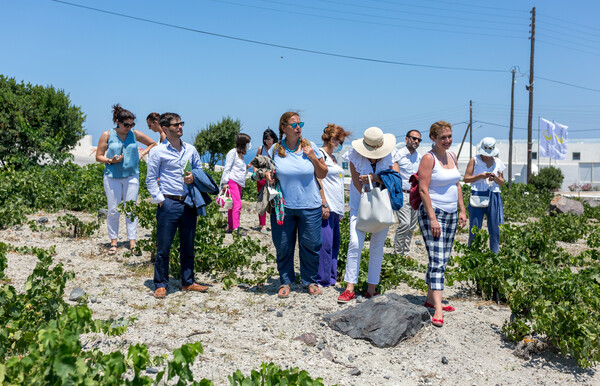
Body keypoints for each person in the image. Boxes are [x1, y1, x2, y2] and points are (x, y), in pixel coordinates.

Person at [265, 112, 328, 298]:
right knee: (283, 245)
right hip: (283, 207)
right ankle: (285, 281)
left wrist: (313, 159)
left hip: (310, 206)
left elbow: (323, 173)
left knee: (311, 244)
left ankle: (310, 280)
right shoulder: (275, 150)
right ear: (283, 128)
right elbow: (267, 171)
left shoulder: (311, 147)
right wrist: (268, 175)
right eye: (294, 124)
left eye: (300, 123)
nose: (298, 127)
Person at [146, 112, 207, 298]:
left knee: (188, 245)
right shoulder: (157, 151)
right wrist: (160, 200)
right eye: (175, 125)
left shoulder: (191, 149)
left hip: (188, 203)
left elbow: (200, 171)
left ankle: (188, 282)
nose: (180, 127)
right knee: (164, 247)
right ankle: (161, 284)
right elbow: (150, 179)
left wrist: (193, 177)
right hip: (169, 202)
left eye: (181, 123)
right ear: (165, 129)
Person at [337, 127, 399, 303]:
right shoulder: (354, 156)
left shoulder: (391, 156)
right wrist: (369, 185)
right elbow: (357, 183)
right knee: (355, 243)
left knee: (377, 246)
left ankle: (372, 287)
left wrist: (376, 178)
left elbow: (396, 180)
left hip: (383, 207)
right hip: (360, 206)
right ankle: (350, 287)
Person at [417, 121, 467, 327]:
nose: (447, 140)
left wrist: (462, 209)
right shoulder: (429, 158)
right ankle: (438, 307)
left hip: (451, 212)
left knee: (443, 258)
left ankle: (430, 298)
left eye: (449, 136)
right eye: (443, 137)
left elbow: (457, 183)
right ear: (433, 139)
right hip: (433, 212)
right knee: (437, 259)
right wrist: (433, 218)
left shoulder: (453, 156)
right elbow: (423, 189)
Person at [96, 104, 156, 256]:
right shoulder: (107, 134)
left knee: (131, 209)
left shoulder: (134, 134)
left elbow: (152, 143)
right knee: (113, 209)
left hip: (131, 176)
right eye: (126, 124)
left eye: (132, 124)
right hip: (111, 177)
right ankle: (114, 241)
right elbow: (98, 156)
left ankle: (132, 242)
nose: (129, 127)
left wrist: (142, 154)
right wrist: (110, 160)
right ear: (117, 121)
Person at [316, 124, 351, 287]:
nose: (340, 145)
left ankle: (331, 276)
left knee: (335, 243)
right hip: (327, 206)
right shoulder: (320, 154)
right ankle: (322, 277)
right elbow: (319, 179)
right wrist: (324, 203)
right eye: (339, 141)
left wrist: (342, 209)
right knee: (326, 243)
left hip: (336, 207)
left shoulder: (334, 158)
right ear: (332, 139)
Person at [463, 137, 505, 253]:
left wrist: (495, 178)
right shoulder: (474, 160)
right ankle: (473, 254)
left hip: (494, 194)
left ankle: (494, 254)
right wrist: (480, 176)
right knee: (475, 227)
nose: (487, 155)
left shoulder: (498, 162)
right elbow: (466, 178)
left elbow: (502, 182)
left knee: (495, 228)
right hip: (478, 194)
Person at [393, 130, 422, 256]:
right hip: (403, 193)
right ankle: (397, 253)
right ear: (406, 139)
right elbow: (394, 174)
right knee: (404, 223)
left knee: (411, 226)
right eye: (414, 138)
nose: (416, 141)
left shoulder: (419, 157)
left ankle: (405, 252)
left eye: (418, 140)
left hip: (415, 194)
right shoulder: (398, 155)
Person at [220, 133, 251, 235]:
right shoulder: (232, 153)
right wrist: (225, 182)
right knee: (237, 205)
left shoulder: (240, 155)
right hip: (232, 181)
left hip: (239, 182)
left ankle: (231, 227)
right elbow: (227, 168)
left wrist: (248, 167)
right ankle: (236, 229)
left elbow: (240, 170)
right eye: (247, 143)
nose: (248, 145)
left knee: (232, 205)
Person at [255, 129, 278, 234]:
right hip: (262, 178)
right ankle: (263, 225)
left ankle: (277, 222)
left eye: (269, 139)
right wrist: (257, 174)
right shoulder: (261, 149)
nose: (268, 141)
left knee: (275, 201)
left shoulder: (277, 148)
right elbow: (256, 163)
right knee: (262, 201)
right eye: (266, 139)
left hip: (274, 178)